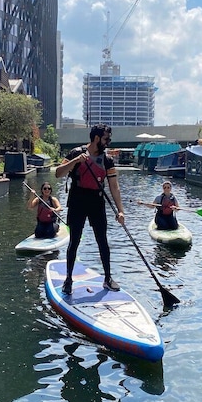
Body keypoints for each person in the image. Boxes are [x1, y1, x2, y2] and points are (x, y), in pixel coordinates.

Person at [54, 123, 125, 295]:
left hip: (96, 201)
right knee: (74, 241)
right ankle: (68, 279)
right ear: (96, 138)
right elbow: (58, 173)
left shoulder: (107, 160)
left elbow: (114, 187)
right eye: (106, 138)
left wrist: (120, 210)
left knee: (102, 241)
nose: (108, 142)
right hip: (77, 200)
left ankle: (107, 278)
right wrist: (75, 161)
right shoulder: (75, 153)